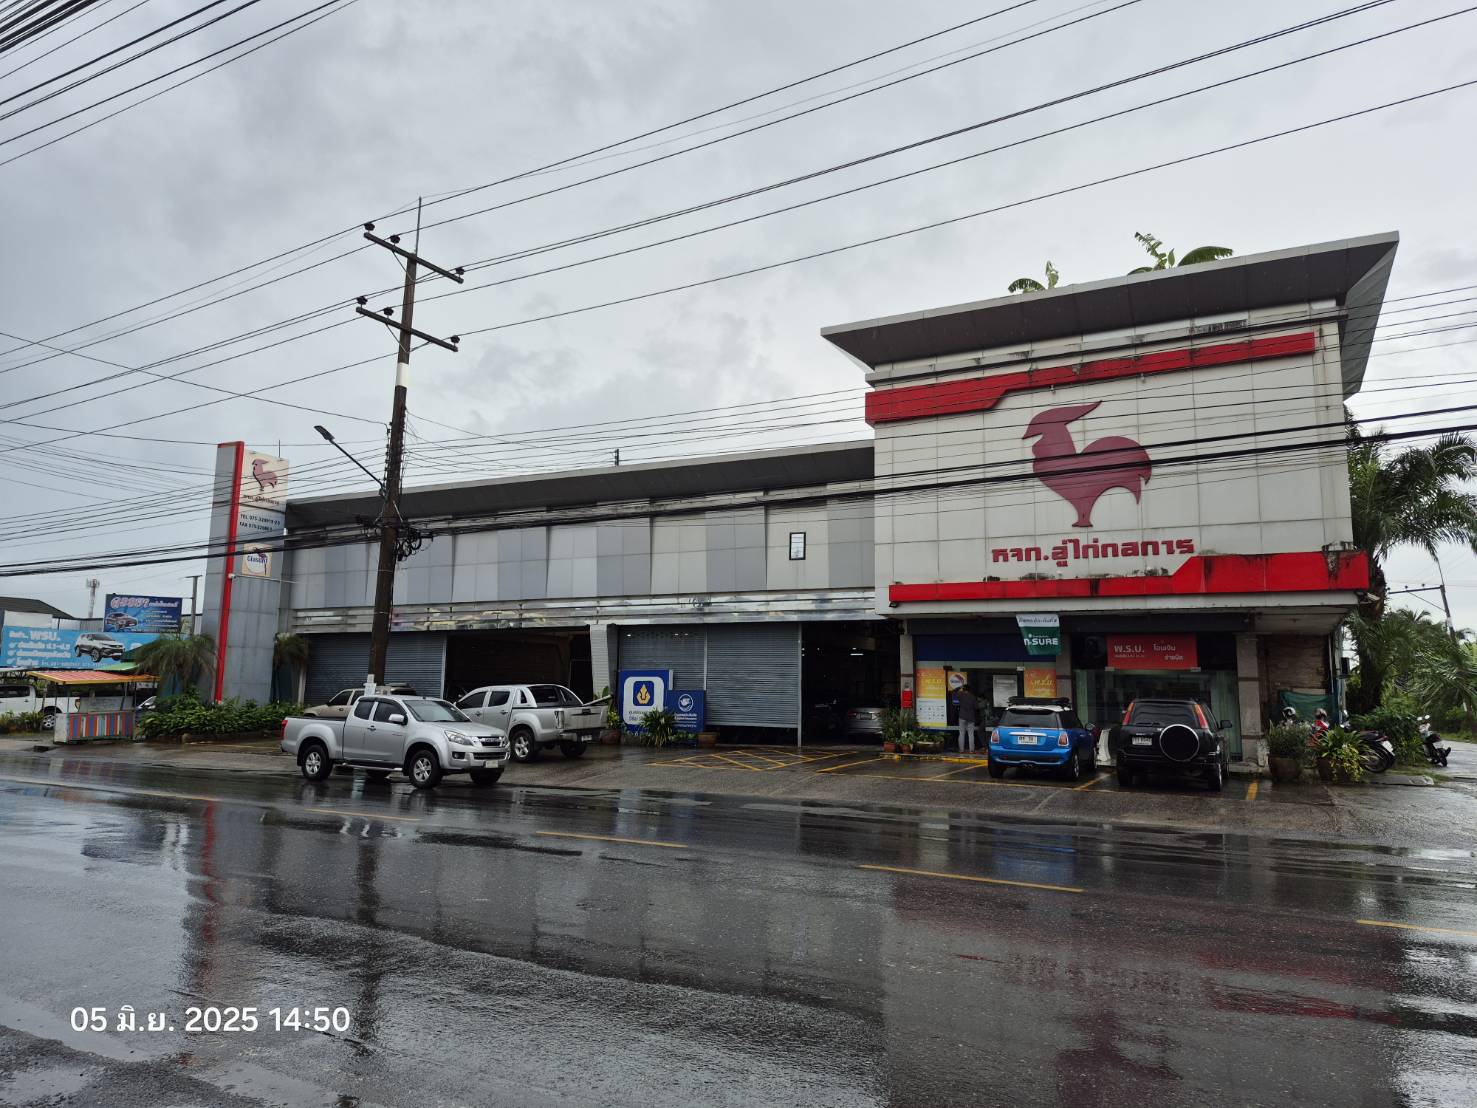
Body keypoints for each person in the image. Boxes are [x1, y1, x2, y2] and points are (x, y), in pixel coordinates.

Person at [956, 683, 979, 753]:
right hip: (971, 717)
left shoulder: (960, 695)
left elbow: (956, 691)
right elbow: (976, 707)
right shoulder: (973, 696)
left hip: (962, 716)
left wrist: (960, 689)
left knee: (961, 733)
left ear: (963, 689)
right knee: (971, 734)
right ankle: (971, 750)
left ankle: (961, 750)